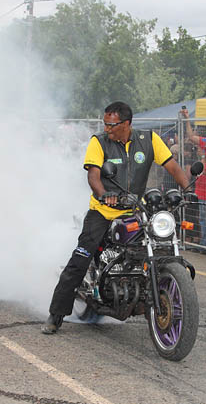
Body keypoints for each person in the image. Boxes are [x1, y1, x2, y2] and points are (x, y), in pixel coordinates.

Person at [42, 101, 190, 334]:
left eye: (111, 125)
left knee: (157, 246)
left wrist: (188, 190)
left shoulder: (149, 140)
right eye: (106, 124)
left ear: (126, 123)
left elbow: (172, 166)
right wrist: (104, 195)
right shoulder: (99, 142)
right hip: (102, 211)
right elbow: (93, 176)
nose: (107, 129)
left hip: (135, 211)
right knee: (80, 259)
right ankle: (56, 314)